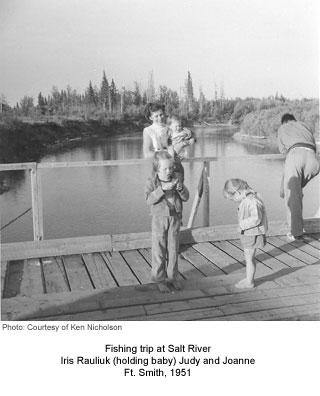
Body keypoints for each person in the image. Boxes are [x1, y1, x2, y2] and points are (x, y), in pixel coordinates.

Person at [145, 151, 189, 292]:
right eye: (165, 169)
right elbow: (149, 200)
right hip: (159, 219)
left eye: (170, 168)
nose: (169, 171)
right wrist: (162, 189)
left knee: (173, 249)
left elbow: (186, 197)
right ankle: (159, 279)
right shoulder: (152, 182)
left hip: (175, 218)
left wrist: (180, 188)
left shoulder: (176, 178)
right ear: (157, 169)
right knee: (159, 250)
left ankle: (173, 278)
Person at [277, 113, 320, 241]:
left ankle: (296, 233)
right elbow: (314, 146)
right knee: (295, 192)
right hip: (314, 161)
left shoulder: (283, 128)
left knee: (292, 196)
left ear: (284, 122)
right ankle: (298, 227)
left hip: (296, 155)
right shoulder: (304, 126)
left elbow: (283, 151)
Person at [223, 179, 268, 289]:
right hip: (249, 232)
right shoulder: (248, 197)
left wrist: (242, 225)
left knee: (249, 258)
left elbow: (256, 218)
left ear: (238, 192)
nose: (234, 201)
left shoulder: (252, 201)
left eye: (233, 199)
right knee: (249, 257)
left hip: (252, 233)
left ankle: (250, 282)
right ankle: (249, 278)